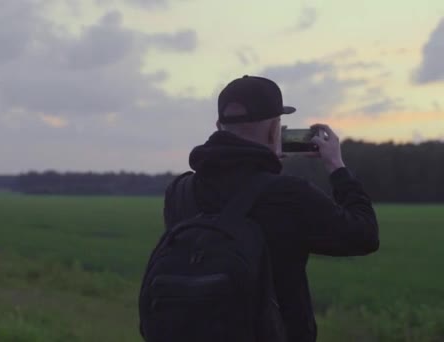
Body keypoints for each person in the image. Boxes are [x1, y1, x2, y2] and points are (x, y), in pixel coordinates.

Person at [161, 75, 380, 342]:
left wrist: (263, 163)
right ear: (274, 130)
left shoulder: (179, 192)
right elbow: (365, 235)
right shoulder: (289, 195)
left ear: (219, 126)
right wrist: (337, 166)